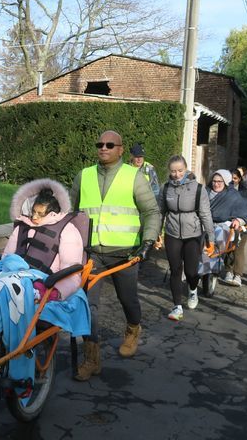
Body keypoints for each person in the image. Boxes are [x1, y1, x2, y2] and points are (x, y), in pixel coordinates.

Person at [0, 179, 90, 383]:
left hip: (42, 279)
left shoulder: (67, 230)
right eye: (33, 212)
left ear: (53, 211)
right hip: (13, 273)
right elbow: (7, 257)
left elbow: (72, 271)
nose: (35, 217)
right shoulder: (22, 226)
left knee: (4, 292)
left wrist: (55, 291)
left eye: (40, 214)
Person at [70, 130, 161, 381]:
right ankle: (92, 358)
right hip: (92, 254)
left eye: (110, 144)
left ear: (121, 150)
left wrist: (148, 241)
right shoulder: (84, 176)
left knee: (128, 300)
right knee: (89, 307)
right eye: (100, 143)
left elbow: (152, 211)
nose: (104, 148)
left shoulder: (134, 177)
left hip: (125, 254)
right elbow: (69, 213)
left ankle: (133, 330)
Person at [159, 155, 215, 322]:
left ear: (186, 169)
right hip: (172, 233)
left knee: (191, 271)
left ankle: (192, 289)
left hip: (193, 234)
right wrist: (156, 234)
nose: (176, 174)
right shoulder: (166, 188)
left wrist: (210, 238)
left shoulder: (198, 188)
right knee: (175, 269)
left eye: (180, 170)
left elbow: (205, 214)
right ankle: (177, 306)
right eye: (173, 171)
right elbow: (160, 212)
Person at [201, 169, 247, 287]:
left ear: (225, 182)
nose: (216, 184)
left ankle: (211, 270)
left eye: (220, 181)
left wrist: (238, 220)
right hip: (204, 223)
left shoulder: (233, 195)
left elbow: (245, 212)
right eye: (214, 181)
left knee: (217, 243)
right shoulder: (204, 192)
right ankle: (189, 269)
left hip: (223, 225)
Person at [221, 168, 247, 287]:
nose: (232, 181)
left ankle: (238, 275)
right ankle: (228, 271)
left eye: (235, 178)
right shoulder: (223, 190)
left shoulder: (246, 191)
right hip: (228, 223)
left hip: (244, 223)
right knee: (229, 248)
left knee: (239, 248)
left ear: (240, 179)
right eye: (231, 179)